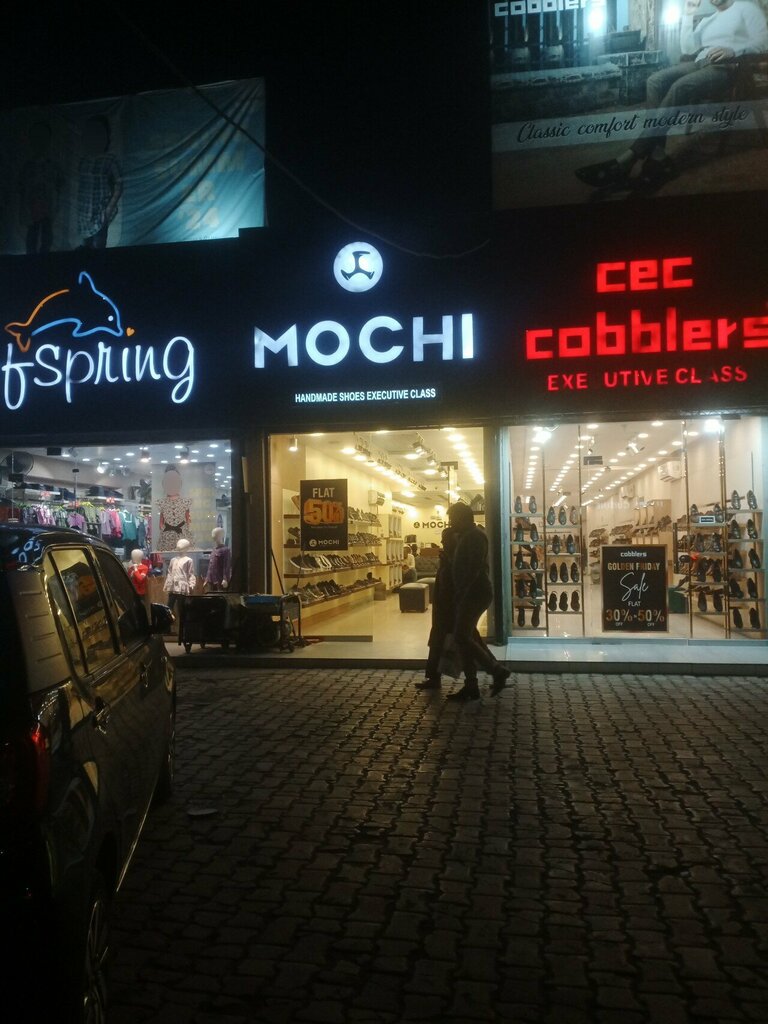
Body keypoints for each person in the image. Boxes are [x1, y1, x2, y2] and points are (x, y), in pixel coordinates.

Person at [574, 0, 768, 192]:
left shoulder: (745, 8)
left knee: (680, 87)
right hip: (700, 62)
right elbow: (688, 49)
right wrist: (688, 15)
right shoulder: (709, 20)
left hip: (729, 66)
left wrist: (734, 50)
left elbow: (764, 40)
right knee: (654, 81)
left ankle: (629, 157)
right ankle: (657, 157)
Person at [444, 502, 511, 702]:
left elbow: (473, 568)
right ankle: (471, 685)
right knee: (467, 637)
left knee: (462, 636)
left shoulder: (474, 537)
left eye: (452, 518)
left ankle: (496, 670)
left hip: (475, 593)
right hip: (469, 592)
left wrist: (462, 591)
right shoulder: (466, 536)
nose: (450, 523)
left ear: (462, 518)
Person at [17, 120, 65, 254]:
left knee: (46, 233)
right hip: (32, 206)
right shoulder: (28, 166)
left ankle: (44, 256)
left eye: (44, 138)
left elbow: (61, 183)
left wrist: (55, 198)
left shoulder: (52, 165)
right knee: (32, 233)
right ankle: (31, 257)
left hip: (48, 205)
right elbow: (21, 186)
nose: (40, 143)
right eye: (36, 138)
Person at [77, 114, 122, 248]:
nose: (95, 139)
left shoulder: (109, 160)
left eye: (100, 135)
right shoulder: (84, 161)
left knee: (99, 244)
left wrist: (108, 209)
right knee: (86, 245)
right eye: (91, 135)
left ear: (107, 138)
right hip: (84, 215)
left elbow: (119, 184)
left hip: (100, 213)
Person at [163, 537, 196, 612]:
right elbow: (170, 572)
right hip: (173, 586)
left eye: (181, 544)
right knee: (169, 606)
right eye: (178, 544)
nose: (179, 545)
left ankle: (182, 622)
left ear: (186, 547)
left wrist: (192, 584)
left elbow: (190, 573)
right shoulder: (173, 560)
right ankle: (169, 622)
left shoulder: (188, 560)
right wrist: (168, 584)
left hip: (182, 587)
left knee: (181, 608)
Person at [205, 527, 232, 592]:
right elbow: (210, 566)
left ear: (221, 535)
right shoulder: (214, 550)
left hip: (219, 581)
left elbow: (226, 565)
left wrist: (225, 579)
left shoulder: (226, 550)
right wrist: (207, 579)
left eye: (215, 534)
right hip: (211, 580)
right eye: (213, 533)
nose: (213, 536)